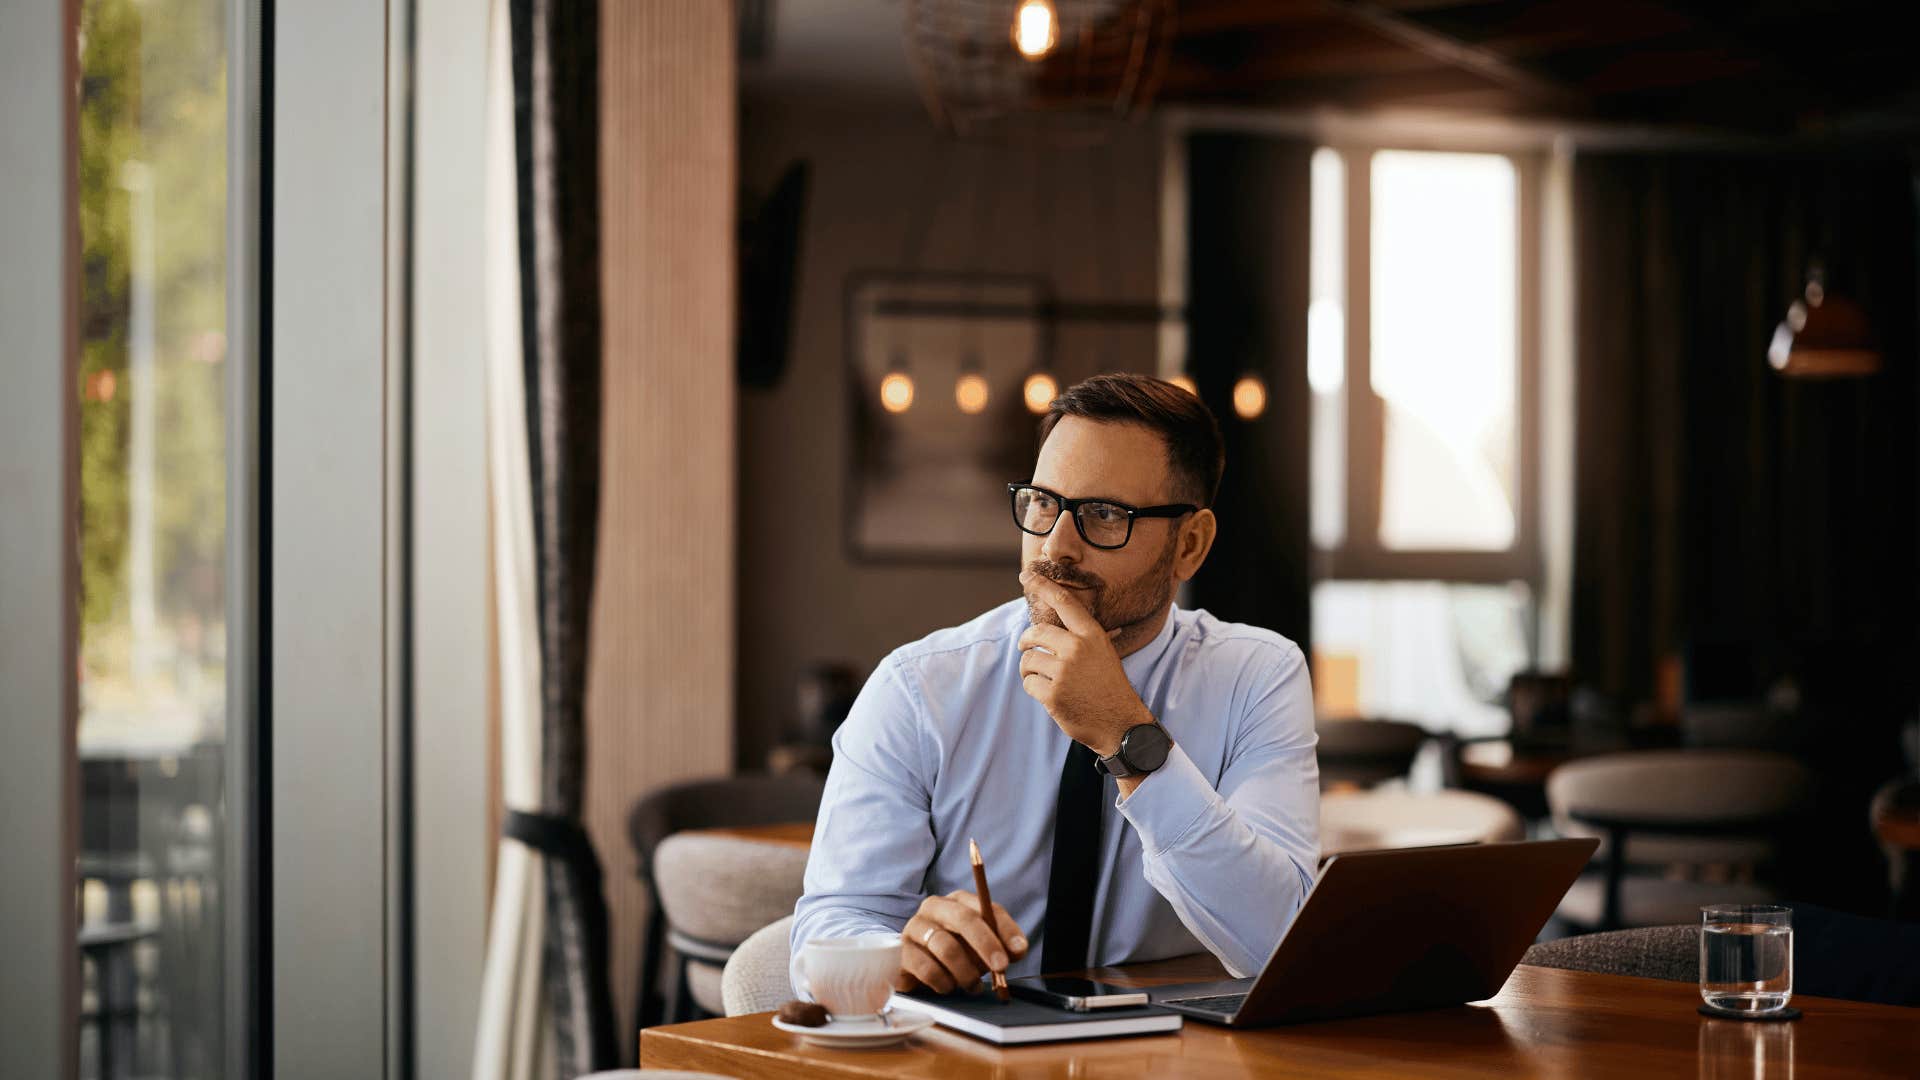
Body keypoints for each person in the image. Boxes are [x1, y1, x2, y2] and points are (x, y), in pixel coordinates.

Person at [791, 373, 1319, 997]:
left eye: (1103, 514)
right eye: (1044, 502)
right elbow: (829, 929)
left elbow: (1281, 942)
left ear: (1190, 545)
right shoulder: (919, 689)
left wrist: (1127, 736)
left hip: (1163, 1057)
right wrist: (900, 955)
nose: (1056, 546)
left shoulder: (1257, 678)